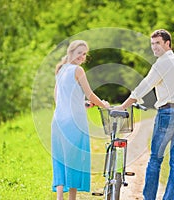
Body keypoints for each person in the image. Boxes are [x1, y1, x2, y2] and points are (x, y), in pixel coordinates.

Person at [115, 29, 174, 200]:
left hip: (167, 114)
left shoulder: (161, 64)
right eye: (152, 44)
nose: (154, 47)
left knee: (155, 158)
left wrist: (124, 106)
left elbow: (144, 86)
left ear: (168, 43)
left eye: (157, 43)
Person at [51, 40, 110, 200]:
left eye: (84, 54)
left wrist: (80, 104)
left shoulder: (60, 69)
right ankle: (71, 198)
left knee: (61, 159)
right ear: (71, 52)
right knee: (74, 159)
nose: (82, 57)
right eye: (79, 53)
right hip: (74, 123)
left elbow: (58, 97)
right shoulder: (78, 70)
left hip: (58, 121)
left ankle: (59, 198)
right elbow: (90, 94)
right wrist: (103, 105)